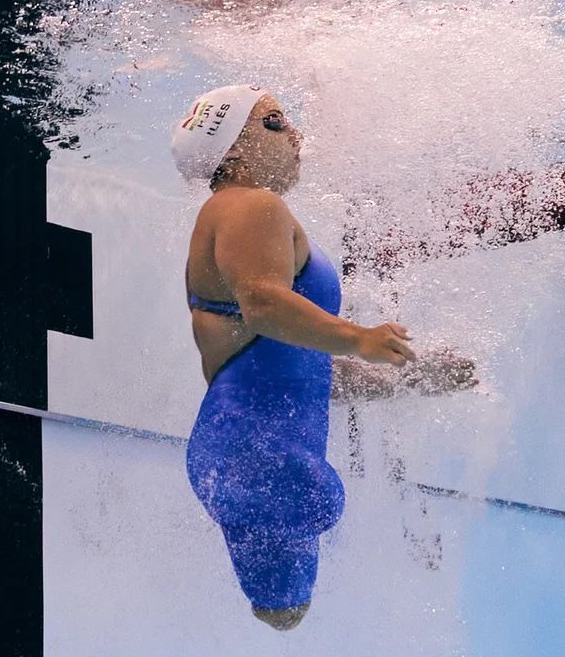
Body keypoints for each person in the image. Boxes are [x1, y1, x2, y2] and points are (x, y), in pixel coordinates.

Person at [174, 84, 421, 631]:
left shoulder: (237, 211)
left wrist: (414, 376)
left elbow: (297, 373)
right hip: (256, 454)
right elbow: (263, 303)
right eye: (275, 122)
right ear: (231, 151)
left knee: (284, 611)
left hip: (246, 447)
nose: (296, 136)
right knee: (284, 611)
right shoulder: (249, 203)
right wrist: (359, 337)